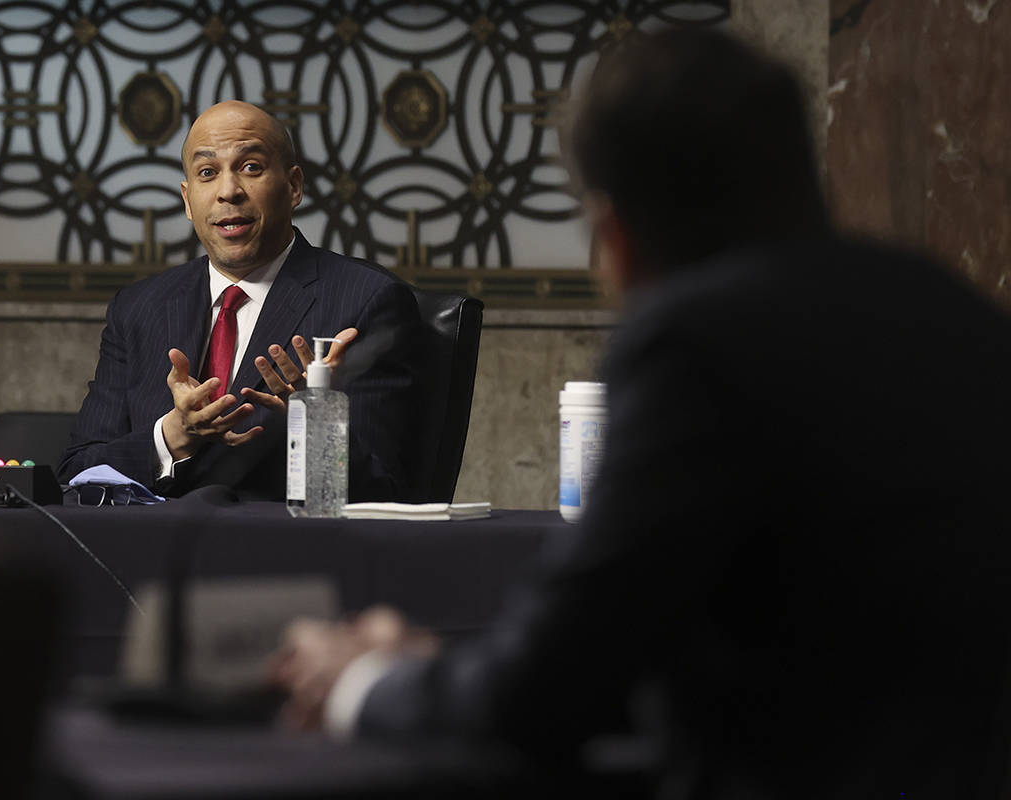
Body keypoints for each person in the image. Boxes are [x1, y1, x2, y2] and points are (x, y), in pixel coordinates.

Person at [270, 30, 1011, 798]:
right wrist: (438, 668)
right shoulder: (956, 310)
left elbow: (547, 692)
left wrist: (367, 681)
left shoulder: (696, 340)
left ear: (615, 238)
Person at [59, 101, 419, 500]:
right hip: (148, 554)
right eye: (207, 173)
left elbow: (389, 492)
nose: (228, 192)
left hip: (283, 554)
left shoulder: (366, 301)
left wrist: (311, 422)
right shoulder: (139, 308)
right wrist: (174, 435)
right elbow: (78, 473)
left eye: (251, 167)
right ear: (187, 199)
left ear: (294, 186)